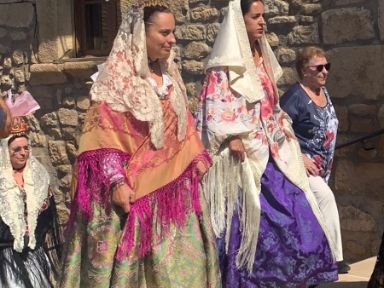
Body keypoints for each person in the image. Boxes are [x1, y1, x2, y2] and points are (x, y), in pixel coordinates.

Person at [60, 2, 220, 288]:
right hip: (134, 196)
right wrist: (116, 182)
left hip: (175, 195)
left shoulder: (170, 77)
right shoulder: (117, 82)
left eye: (173, 32)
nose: (172, 39)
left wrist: (196, 155)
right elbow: (103, 137)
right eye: (164, 32)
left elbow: (185, 126)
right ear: (140, 35)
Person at [196, 0, 338, 286]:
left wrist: (282, 123)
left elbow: (270, 106)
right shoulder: (223, 66)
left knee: (298, 211)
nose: (263, 22)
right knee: (256, 222)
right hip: (244, 155)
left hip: (272, 149)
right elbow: (213, 108)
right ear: (240, 20)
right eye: (256, 16)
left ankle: (295, 277)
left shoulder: (261, 58)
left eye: (264, 16)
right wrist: (233, 135)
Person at [280, 46, 350, 274]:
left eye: (326, 66)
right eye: (318, 67)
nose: (324, 71)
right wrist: (299, 157)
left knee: (314, 213)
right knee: (326, 199)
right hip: (302, 167)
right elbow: (277, 130)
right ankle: (335, 258)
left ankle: (313, 260)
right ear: (303, 70)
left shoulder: (323, 92)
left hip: (322, 168)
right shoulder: (295, 98)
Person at [0, 117, 62, 287]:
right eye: (17, 149)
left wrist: (33, 227)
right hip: (5, 258)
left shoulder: (38, 175)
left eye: (26, 148)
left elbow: (49, 214)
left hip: (33, 253)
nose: (23, 153)